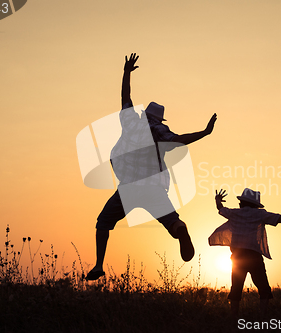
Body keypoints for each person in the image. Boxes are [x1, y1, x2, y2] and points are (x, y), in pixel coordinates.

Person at [86, 53, 217, 280]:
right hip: (153, 189)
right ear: (159, 119)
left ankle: (98, 264)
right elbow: (179, 140)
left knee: (103, 222)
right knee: (171, 223)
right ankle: (180, 229)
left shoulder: (131, 122)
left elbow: (125, 96)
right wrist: (204, 133)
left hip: (128, 189)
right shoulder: (159, 131)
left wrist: (126, 72)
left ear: (145, 114)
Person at [208, 188, 281, 316]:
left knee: (236, 288)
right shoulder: (260, 214)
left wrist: (217, 199)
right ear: (256, 205)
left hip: (237, 256)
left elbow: (220, 209)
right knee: (264, 288)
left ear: (242, 203)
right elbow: (279, 219)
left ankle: (233, 317)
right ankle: (263, 316)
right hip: (254, 256)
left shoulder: (235, 213)